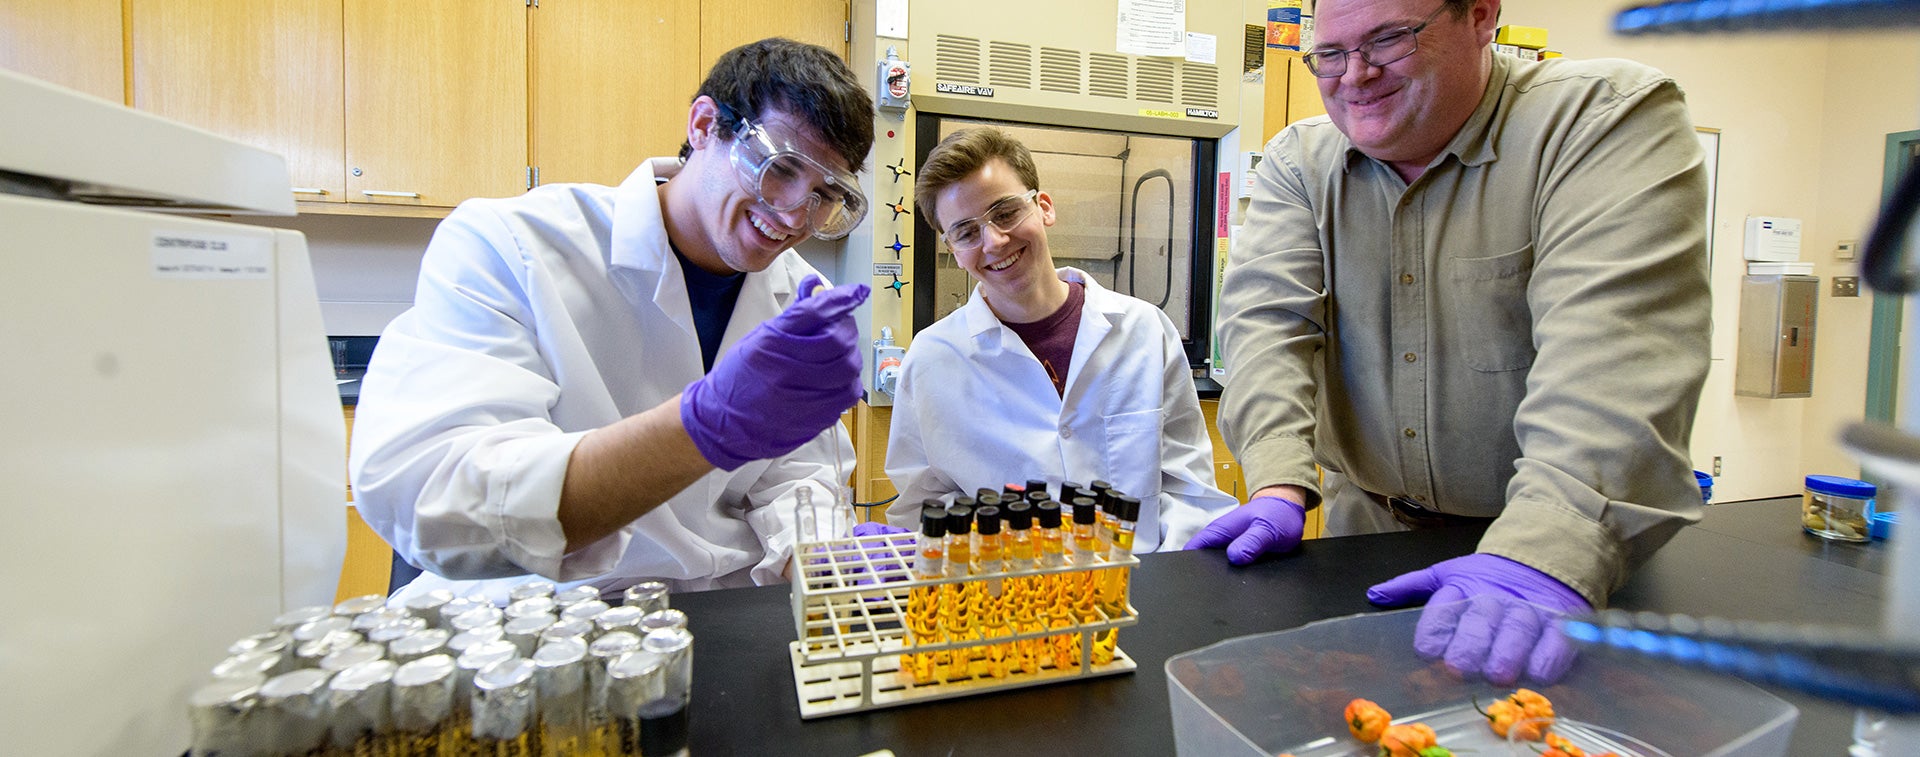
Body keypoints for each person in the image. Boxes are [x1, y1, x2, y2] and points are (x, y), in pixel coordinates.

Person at [1188, 0, 1711, 684]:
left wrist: (1543, 554)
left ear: (1482, 16)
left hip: (1560, 566)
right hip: (1368, 546)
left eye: (1390, 40)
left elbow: (1616, 352)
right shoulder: (1301, 162)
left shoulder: (1603, 119)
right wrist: (1279, 478)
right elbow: (1268, 329)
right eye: (1332, 54)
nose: (1356, 76)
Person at [349, 38, 876, 604]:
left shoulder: (799, 295)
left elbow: (795, 479)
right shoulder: (511, 246)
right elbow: (438, 497)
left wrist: (828, 566)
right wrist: (700, 429)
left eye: (825, 194)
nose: (796, 214)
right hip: (539, 615)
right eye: (780, 168)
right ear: (704, 126)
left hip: (717, 608)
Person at [883, 127, 1237, 551]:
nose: (994, 242)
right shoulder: (932, 359)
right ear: (952, 249)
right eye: (966, 232)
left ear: (1044, 207)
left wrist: (1163, 583)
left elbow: (1188, 490)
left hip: (1139, 592)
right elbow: (922, 510)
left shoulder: (1145, 331)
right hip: (1004, 602)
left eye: (1006, 212)